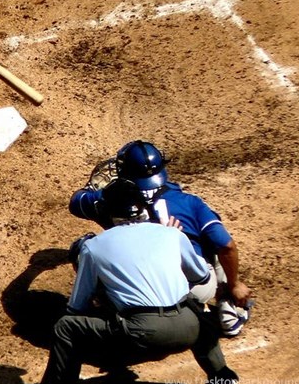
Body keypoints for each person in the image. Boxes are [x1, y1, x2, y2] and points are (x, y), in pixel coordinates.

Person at [42, 178, 239, 384]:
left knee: (66, 327)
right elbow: (201, 277)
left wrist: (106, 299)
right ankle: (222, 378)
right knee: (195, 306)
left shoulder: (93, 246)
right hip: (188, 329)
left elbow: (76, 308)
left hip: (142, 336)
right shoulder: (172, 234)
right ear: (142, 207)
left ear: (108, 210)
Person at [68, 140, 253, 336]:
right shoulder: (189, 202)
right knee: (212, 241)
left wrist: (93, 190)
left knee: (83, 248)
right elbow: (227, 246)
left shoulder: (108, 201)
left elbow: (75, 202)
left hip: (139, 292)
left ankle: (103, 312)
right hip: (195, 289)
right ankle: (229, 312)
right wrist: (234, 284)